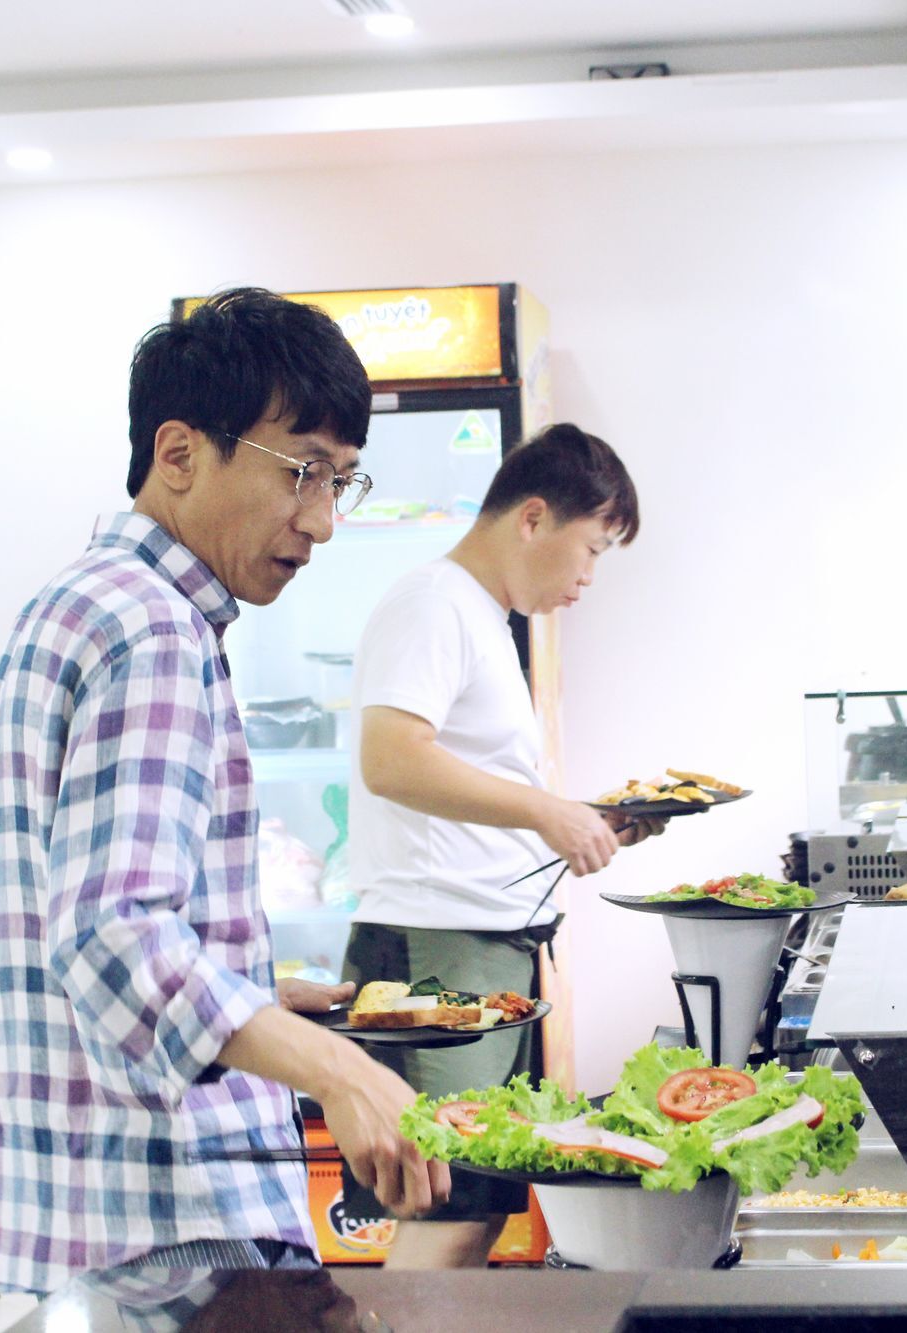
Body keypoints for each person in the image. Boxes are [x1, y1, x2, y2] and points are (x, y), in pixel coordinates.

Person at [0, 288, 449, 1295]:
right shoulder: (151, 631)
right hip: (169, 1212)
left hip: (84, 1200)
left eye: (342, 483)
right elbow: (108, 934)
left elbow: (70, 921)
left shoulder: (81, 601)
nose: (319, 521)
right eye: (301, 474)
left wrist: (256, 996)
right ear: (180, 452)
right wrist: (343, 1072)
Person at [340, 423, 655, 1269]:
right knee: (448, 1203)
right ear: (533, 518)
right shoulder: (433, 602)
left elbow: (468, 782)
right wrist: (548, 815)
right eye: (590, 549)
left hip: (486, 944)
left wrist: (583, 815)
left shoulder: (478, 614)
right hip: (439, 948)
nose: (588, 579)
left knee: (477, 1205)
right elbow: (390, 759)